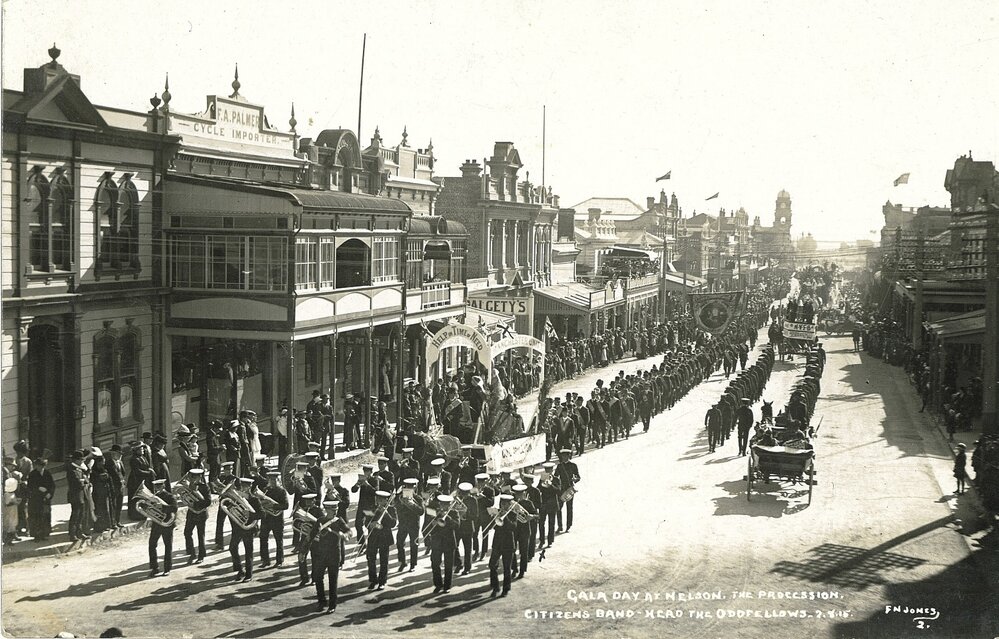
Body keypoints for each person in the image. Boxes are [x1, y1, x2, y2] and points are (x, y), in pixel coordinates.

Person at [311, 499, 351, 613]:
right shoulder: (320, 520)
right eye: (332, 509)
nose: (335, 511)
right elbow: (312, 535)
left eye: (336, 509)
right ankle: (321, 601)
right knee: (318, 578)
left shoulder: (339, 521)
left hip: (334, 554)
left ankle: (332, 605)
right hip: (321, 554)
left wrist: (343, 534)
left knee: (332, 580)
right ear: (326, 509)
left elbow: (349, 532)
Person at [228, 477, 261, 582]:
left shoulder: (254, 499)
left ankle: (249, 574)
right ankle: (239, 570)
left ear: (250, 487)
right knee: (232, 548)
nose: (244, 488)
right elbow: (230, 509)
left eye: (246, 486)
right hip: (238, 527)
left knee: (248, 551)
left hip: (248, 528)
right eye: (242, 486)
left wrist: (250, 514)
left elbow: (262, 514)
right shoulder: (237, 498)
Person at [364, 490, 397, 591]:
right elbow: (366, 522)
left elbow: (393, 524)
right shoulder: (371, 508)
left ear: (386, 500)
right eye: (377, 499)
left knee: (384, 560)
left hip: (384, 537)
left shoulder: (391, 509)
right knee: (371, 559)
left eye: (381, 500)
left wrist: (385, 513)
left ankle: (382, 581)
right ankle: (373, 580)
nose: (378, 501)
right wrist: (370, 525)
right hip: (373, 537)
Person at [427, 493, 459, 594]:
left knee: (448, 565)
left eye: (446, 504)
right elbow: (428, 527)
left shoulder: (454, 512)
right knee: (435, 563)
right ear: (439, 504)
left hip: (449, 542)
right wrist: (433, 522)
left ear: (450, 505)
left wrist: (447, 517)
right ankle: (438, 584)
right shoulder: (434, 512)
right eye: (442, 504)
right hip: (437, 542)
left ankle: (447, 586)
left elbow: (457, 526)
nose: (444, 506)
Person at [258, 470, 289, 569]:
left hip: (277, 519)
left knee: (278, 540)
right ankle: (265, 560)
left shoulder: (281, 491)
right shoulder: (265, 490)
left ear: (278, 480)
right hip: (266, 518)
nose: (273, 481)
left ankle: (279, 560)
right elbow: (261, 502)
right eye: (271, 480)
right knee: (263, 539)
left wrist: (273, 506)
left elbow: (286, 505)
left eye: (275, 480)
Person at [147, 478, 177, 577]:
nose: (157, 488)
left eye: (159, 486)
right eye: (156, 487)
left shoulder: (170, 496)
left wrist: (162, 507)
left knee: (167, 546)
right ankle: (154, 568)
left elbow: (174, 508)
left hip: (167, 523)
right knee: (152, 544)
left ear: (163, 486)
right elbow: (149, 509)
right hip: (157, 523)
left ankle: (167, 569)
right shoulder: (153, 497)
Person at [488, 494, 517, 597]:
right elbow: (492, 527)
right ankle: (495, 587)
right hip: (497, 543)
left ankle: (506, 588)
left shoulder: (513, 514)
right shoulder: (498, 513)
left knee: (506, 568)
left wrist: (505, 518)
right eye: (502, 503)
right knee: (492, 565)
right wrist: (493, 516)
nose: (503, 505)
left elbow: (513, 527)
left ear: (509, 505)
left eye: (506, 504)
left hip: (508, 544)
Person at [182, 469, 211, 564]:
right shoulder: (189, 486)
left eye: (196, 477)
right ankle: (192, 553)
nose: (194, 479)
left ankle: (201, 555)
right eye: (192, 477)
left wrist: (196, 504)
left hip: (201, 513)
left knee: (200, 535)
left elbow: (208, 501)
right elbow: (185, 497)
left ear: (200, 477)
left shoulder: (205, 487)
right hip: (191, 513)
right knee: (187, 533)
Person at [395, 477, 423, 573]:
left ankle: (413, 564)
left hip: (414, 524)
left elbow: (421, 511)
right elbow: (395, 507)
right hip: (403, 523)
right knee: (399, 542)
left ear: (415, 488)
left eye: (411, 487)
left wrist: (411, 504)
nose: (409, 489)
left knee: (413, 544)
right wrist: (401, 502)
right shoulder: (400, 497)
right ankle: (403, 562)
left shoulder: (418, 498)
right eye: (407, 487)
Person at [67, 450, 95, 541]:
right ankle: (73, 534)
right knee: (75, 515)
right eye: (81, 460)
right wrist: (83, 481)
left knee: (81, 515)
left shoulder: (79, 469)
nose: (82, 461)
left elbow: (85, 480)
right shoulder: (72, 470)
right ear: (76, 460)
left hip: (82, 495)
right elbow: (77, 483)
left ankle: (79, 532)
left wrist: (83, 481)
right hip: (75, 496)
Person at [26, 458, 54, 541]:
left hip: (46, 499)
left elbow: (52, 485)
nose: (40, 468)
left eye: (42, 466)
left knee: (45, 516)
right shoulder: (32, 474)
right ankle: (36, 536)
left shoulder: (47, 473)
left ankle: (44, 534)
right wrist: (38, 488)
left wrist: (50, 494)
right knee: (36, 517)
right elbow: (30, 487)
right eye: (38, 466)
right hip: (36, 500)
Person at [127, 442, 155, 521]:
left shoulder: (142, 457)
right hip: (135, 481)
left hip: (142, 480)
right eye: (141, 449)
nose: (143, 450)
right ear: (136, 450)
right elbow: (137, 471)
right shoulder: (134, 459)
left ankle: (142, 513)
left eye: (142, 448)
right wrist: (149, 473)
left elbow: (146, 466)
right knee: (136, 499)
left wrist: (149, 469)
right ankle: (135, 515)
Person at [214, 461, 238, 548]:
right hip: (223, 501)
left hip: (231, 502)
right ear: (224, 470)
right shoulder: (221, 478)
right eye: (227, 470)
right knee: (220, 522)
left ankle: (234, 542)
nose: (229, 471)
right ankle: (219, 543)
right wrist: (218, 489)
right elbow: (217, 489)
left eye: (231, 469)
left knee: (234, 523)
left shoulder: (235, 479)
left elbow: (238, 491)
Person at [554, 449, 580, 533]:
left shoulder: (573, 465)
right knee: (559, 508)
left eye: (566, 456)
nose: (564, 457)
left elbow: (578, 477)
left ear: (569, 456)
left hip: (569, 489)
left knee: (569, 508)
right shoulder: (559, 466)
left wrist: (575, 479)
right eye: (563, 456)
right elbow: (555, 477)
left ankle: (568, 526)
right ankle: (560, 526)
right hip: (561, 489)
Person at [106, 445, 126, 529]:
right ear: (113, 454)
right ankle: (113, 522)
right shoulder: (109, 463)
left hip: (120, 487)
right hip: (113, 486)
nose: (120, 455)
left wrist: (122, 483)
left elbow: (123, 473)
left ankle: (118, 521)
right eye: (118, 453)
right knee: (113, 505)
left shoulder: (120, 462)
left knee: (119, 504)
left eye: (121, 454)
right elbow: (112, 475)